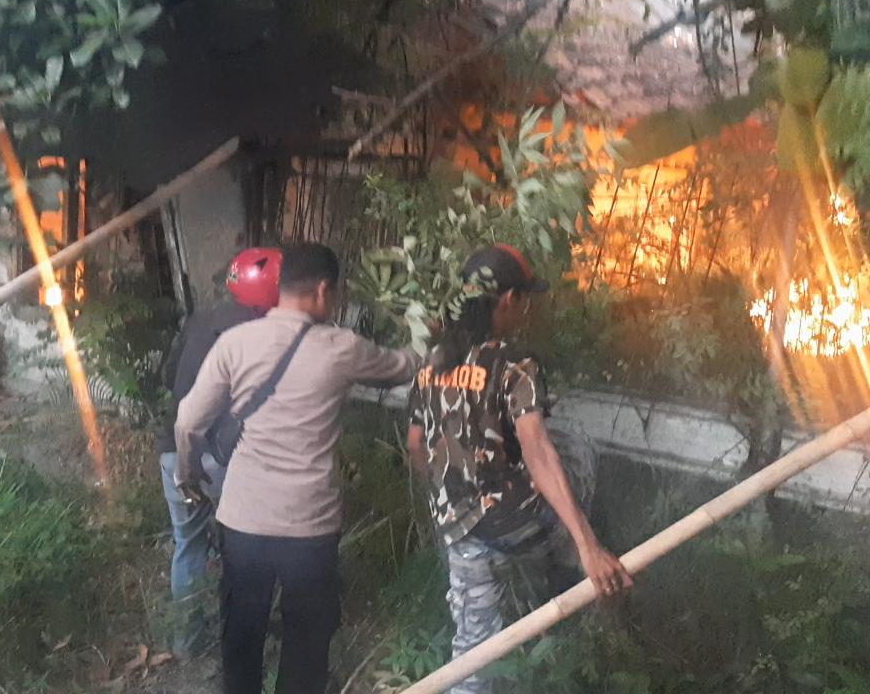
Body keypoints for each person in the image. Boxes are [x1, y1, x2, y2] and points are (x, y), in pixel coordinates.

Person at [174, 242, 421, 694]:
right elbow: (405, 365)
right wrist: (430, 334)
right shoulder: (342, 347)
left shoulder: (235, 343)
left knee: (241, 635)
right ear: (324, 290)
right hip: (309, 525)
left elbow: (188, 421)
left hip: (244, 520)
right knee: (307, 643)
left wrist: (188, 476)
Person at [405, 244, 633, 694]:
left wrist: (448, 498)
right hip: (518, 523)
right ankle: (580, 571)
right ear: (508, 299)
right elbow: (538, 450)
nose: (527, 309)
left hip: (458, 526)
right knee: (573, 450)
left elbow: (416, 445)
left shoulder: (433, 360)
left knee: (474, 651)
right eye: (525, 299)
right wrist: (587, 543)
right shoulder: (515, 362)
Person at [157, 247, 283, 658]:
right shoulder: (266, 334)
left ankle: (186, 641)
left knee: (188, 544)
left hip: (175, 451)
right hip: (227, 456)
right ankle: (244, 640)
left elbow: (168, 376)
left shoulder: (199, 320)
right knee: (247, 547)